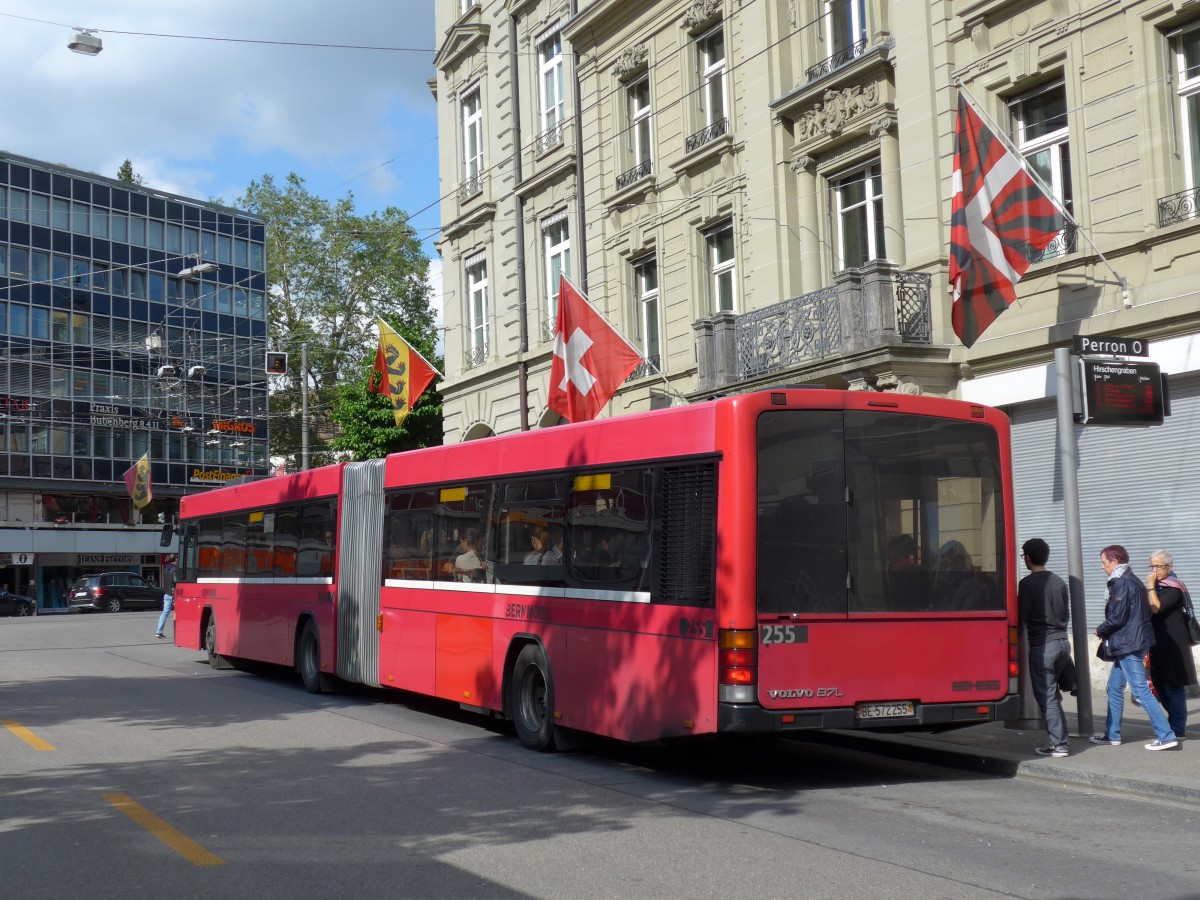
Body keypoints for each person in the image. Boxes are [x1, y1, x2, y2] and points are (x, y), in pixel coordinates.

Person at [1091, 544, 1178, 750]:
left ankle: (1166, 735)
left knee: (1140, 690)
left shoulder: (1123, 582)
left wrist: (1100, 630)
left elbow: (1117, 617)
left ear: (1114, 561)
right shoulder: (1133, 580)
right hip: (1133, 640)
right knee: (1114, 687)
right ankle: (1111, 734)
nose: (1102, 566)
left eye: (1104, 562)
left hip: (1128, 643)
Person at [1017, 538, 1072, 757]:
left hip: (1043, 645)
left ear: (1028, 558)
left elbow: (1021, 618)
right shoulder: (1059, 581)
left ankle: (1058, 745)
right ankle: (1061, 740)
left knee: (1047, 697)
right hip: (1063, 643)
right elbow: (1065, 614)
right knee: (1053, 696)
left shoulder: (1027, 584)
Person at [1146, 550, 1198, 740]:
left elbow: (1156, 608)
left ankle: (1178, 728)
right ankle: (1172, 721)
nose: (1155, 570)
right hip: (1157, 642)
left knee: (1174, 685)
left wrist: (1150, 587)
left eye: (1159, 566)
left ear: (1169, 567)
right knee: (1159, 685)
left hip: (1173, 644)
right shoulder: (1159, 587)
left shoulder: (1174, 588)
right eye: (1152, 566)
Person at [156, 554, 179, 639]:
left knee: (164, 613)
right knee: (178, 613)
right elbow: (176, 580)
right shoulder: (174, 569)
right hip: (174, 594)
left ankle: (159, 631)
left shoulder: (166, 568)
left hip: (167, 593)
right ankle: (179, 632)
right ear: (175, 560)